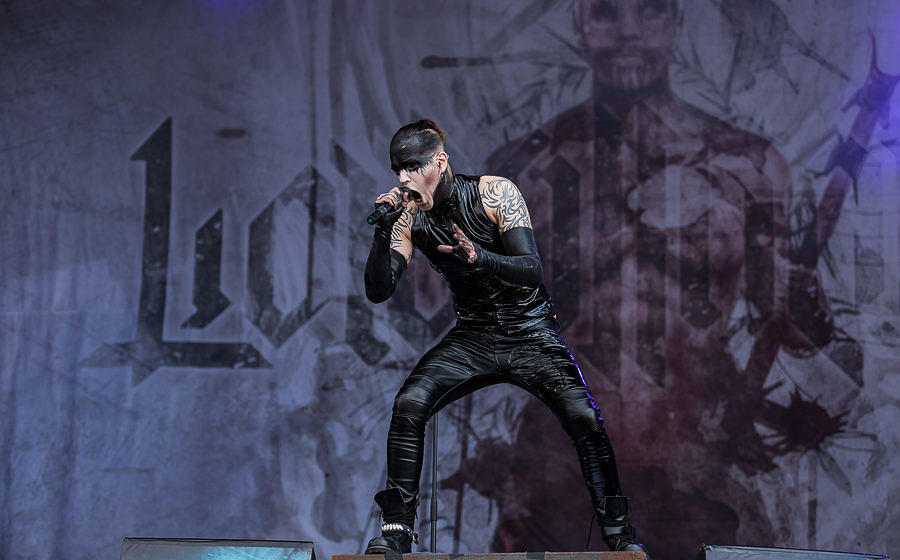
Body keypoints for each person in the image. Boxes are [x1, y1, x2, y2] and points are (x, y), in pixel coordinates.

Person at [362, 118, 648, 555]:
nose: (403, 178)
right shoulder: (407, 218)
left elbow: (531, 270)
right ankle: (397, 529)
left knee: (584, 418)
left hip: (531, 333)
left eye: (413, 166)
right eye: (397, 169)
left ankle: (619, 532)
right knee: (410, 402)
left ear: (439, 162)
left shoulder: (495, 192)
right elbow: (379, 290)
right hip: (474, 338)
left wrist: (481, 258)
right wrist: (383, 234)